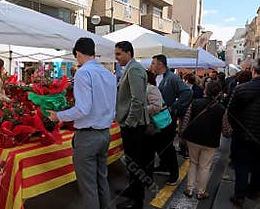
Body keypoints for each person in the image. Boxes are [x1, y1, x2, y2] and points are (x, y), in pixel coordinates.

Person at [47, 38, 116, 209]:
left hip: (88, 137)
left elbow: (83, 108)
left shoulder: (83, 73)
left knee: (88, 187)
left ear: (78, 53)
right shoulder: (108, 73)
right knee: (101, 179)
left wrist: (58, 116)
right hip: (105, 133)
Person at [115, 41, 150, 209]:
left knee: (136, 161)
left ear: (128, 53)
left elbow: (137, 99)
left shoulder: (134, 69)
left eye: (119, 54)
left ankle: (137, 200)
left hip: (134, 124)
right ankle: (133, 191)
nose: (116, 57)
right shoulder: (131, 68)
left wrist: (129, 122)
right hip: (133, 123)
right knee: (132, 160)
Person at [150, 54, 193, 185]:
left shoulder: (172, 78)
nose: (151, 65)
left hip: (167, 119)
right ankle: (164, 166)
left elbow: (187, 92)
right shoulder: (154, 77)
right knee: (158, 144)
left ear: (160, 64)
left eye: (153, 63)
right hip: (156, 118)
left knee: (167, 146)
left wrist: (173, 107)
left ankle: (174, 174)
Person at [180, 81, 227, 200]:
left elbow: (186, 120)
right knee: (205, 166)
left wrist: (182, 135)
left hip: (193, 138)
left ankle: (190, 189)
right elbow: (226, 130)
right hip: (210, 142)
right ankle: (201, 192)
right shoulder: (221, 109)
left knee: (193, 163)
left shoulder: (195, 103)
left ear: (205, 91)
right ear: (219, 93)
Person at [228, 58, 260, 207]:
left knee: (241, 165)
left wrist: (237, 128)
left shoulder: (241, 88)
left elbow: (231, 112)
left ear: (253, 71)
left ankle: (239, 195)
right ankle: (254, 191)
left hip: (242, 134)